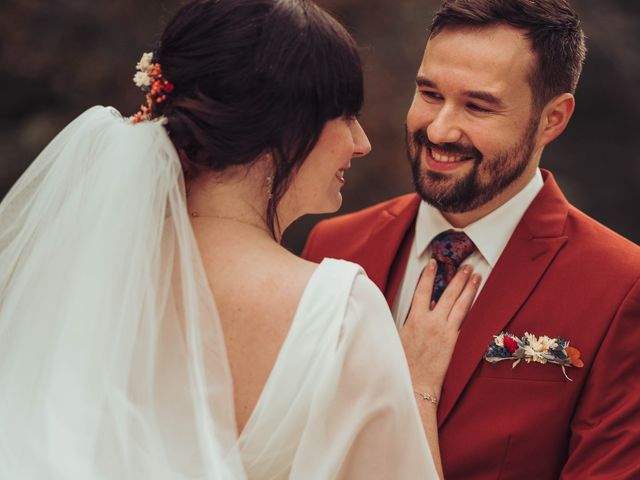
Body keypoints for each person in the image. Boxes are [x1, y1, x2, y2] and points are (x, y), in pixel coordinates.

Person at [0, 0, 481, 478]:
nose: (362, 142)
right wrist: (415, 390)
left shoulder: (82, 275)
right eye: (345, 117)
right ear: (288, 125)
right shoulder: (338, 310)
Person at [303, 0, 640, 478]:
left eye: (478, 106)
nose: (439, 129)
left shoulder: (622, 286)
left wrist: (416, 394)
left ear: (553, 119)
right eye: (430, 94)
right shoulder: (333, 246)